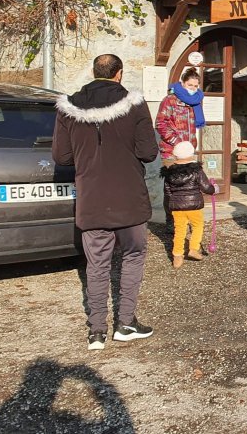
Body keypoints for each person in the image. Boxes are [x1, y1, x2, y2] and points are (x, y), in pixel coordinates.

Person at [52, 54, 158, 350]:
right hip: (129, 198)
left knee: (96, 264)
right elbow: (149, 152)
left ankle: (96, 331)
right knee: (133, 256)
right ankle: (125, 323)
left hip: (92, 198)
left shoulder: (68, 108)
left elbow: (61, 157)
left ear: (94, 72)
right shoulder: (135, 104)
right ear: (119, 74)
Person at [155, 67, 205, 231]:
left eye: (196, 86)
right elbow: (160, 124)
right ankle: (172, 221)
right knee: (173, 186)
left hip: (189, 150)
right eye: (190, 85)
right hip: (172, 151)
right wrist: (177, 142)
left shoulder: (196, 101)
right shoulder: (170, 100)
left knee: (189, 185)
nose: (193, 89)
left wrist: (191, 146)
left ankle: (187, 219)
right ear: (182, 83)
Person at [160, 141, 218, 268]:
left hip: (177, 207)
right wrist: (215, 189)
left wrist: (171, 205)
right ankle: (193, 249)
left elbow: (167, 192)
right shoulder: (196, 171)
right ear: (191, 155)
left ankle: (177, 256)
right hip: (193, 205)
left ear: (175, 156)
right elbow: (206, 187)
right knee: (197, 226)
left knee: (179, 230)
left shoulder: (169, 173)